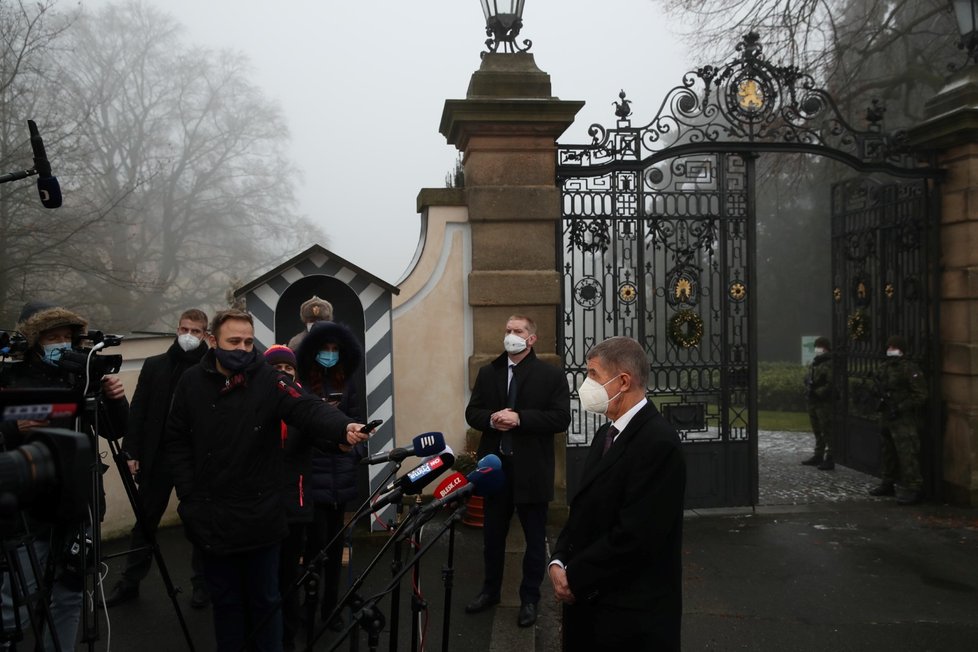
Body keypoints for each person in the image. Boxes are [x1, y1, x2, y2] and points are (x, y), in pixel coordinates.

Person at [164, 309, 368, 652]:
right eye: (233, 341)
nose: (242, 349)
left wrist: (342, 426)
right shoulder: (191, 383)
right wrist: (189, 495)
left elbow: (306, 407)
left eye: (247, 341)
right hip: (213, 516)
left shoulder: (268, 378)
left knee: (267, 601)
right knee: (227, 604)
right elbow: (176, 440)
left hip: (262, 516)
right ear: (212, 341)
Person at [0, 301, 129, 651]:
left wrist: (114, 400)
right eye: (52, 336)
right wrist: (13, 428)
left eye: (66, 337)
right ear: (33, 340)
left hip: (79, 506)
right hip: (28, 513)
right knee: (15, 605)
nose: (61, 343)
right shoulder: (9, 379)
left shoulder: (82, 375)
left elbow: (116, 430)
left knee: (70, 597)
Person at [549, 336, 686, 652]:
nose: (586, 384)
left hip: (630, 618)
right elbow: (583, 509)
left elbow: (637, 537)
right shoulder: (606, 433)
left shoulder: (658, 444)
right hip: (591, 605)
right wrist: (558, 560)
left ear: (623, 381)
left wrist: (575, 576)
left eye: (594, 374)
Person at [464, 315, 570, 628]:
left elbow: (560, 419)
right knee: (492, 538)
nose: (511, 335)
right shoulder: (489, 372)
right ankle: (490, 591)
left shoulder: (550, 376)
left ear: (532, 338)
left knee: (535, 540)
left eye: (518, 331)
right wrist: (492, 419)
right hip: (496, 471)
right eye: (508, 330)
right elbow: (473, 412)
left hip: (532, 470)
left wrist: (520, 418)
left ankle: (529, 600)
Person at [104, 308, 212, 609]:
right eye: (184, 329)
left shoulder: (211, 368)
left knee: (198, 523)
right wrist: (131, 452)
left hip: (194, 460)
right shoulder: (155, 365)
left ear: (205, 334)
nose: (188, 336)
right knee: (145, 521)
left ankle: (202, 584)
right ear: (177, 329)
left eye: (195, 331)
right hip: (158, 457)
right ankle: (129, 583)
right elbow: (138, 411)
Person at [294, 320, 366, 631]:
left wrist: (356, 450)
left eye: (336, 349)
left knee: (337, 549)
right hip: (313, 478)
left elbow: (358, 420)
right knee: (313, 550)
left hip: (342, 477)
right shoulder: (302, 387)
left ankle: (331, 609)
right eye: (325, 348)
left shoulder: (347, 384)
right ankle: (308, 610)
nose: (330, 354)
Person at [262, 344, 313, 652]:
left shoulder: (302, 404)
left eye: (288, 369)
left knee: (288, 577)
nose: (282, 374)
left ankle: (287, 638)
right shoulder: (255, 404)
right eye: (276, 369)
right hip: (262, 505)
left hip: (294, 504)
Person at [869, 335, 928, 505]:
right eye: (889, 346)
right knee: (887, 451)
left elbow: (921, 395)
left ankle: (915, 488)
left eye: (893, 347)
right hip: (886, 416)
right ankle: (888, 483)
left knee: (907, 453)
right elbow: (876, 387)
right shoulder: (884, 367)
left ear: (901, 349)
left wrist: (901, 407)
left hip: (903, 418)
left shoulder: (910, 368)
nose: (890, 349)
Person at [801, 336, 835, 470]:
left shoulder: (830, 363)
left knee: (827, 430)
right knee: (817, 430)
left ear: (826, 347)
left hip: (823, 401)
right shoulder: (816, 362)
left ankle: (830, 458)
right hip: (813, 400)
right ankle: (818, 455)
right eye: (816, 345)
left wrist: (818, 391)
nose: (817, 348)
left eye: (820, 346)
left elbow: (831, 382)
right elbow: (809, 377)